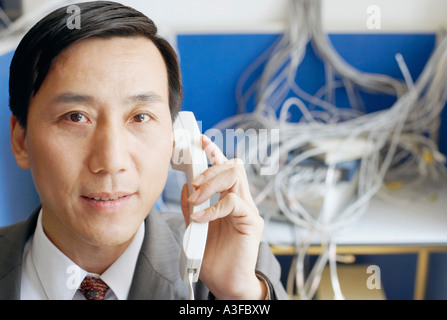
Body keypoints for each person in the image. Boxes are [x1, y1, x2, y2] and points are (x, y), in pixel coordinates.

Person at [0, 1, 288, 300]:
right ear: (21, 141)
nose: (111, 162)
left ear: (177, 138)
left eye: (140, 117)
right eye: (76, 117)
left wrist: (237, 296)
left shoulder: (240, 264)